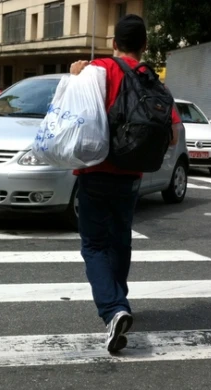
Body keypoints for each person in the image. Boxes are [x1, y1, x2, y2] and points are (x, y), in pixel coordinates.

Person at [69, 14, 182, 353]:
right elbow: (174, 135)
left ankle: (113, 309)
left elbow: (74, 113)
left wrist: (76, 75)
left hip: (95, 173)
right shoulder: (154, 81)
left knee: (93, 246)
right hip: (131, 177)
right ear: (144, 45)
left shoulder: (99, 70)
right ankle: (119, 299)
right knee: (120, 241)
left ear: (114, 43)